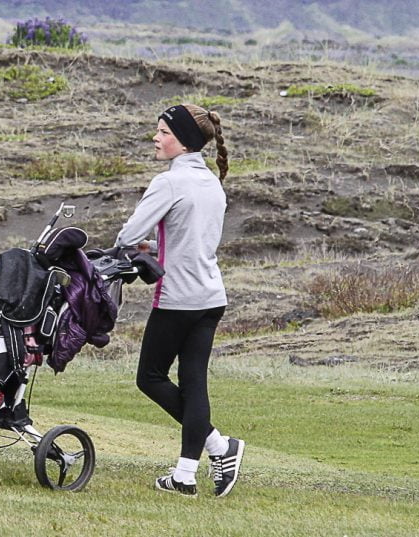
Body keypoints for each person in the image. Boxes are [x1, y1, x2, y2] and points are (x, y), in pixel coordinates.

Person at [114, 103, 244, 497]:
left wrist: (137, 244)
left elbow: (125, 236)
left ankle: (219, 447)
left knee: (150, 378)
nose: (156, 138)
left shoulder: (168, 183)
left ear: (183, 141)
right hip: (210, 297)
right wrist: (156, 245)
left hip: (178, 300)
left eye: (164, 132)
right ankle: (188, 474)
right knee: (194, 385)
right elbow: (191, 241)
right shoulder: (211, 183)